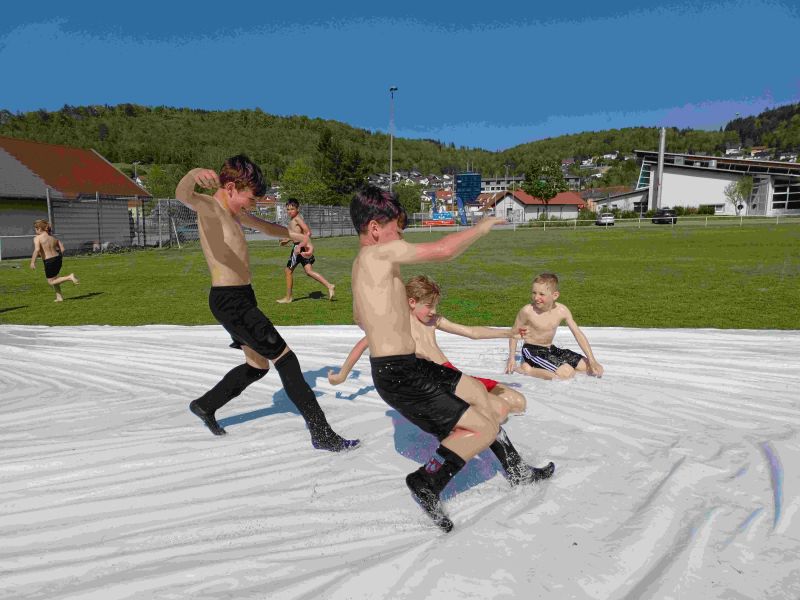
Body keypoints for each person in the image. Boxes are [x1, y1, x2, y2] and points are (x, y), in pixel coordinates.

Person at [350, 186, 553, 532]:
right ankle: (426, 481)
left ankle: (516, 470)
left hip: (407, 364)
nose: (401, 236)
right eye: (396, 229)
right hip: (398, 373)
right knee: (482, 426)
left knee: (476, 392)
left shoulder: (362, 266)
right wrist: (480, 228)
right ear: (375, 228)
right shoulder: (378, 255)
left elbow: (360, 317)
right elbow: (443, 250)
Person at [175, 155, 358, 452]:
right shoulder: (210, 208)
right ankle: (321, 433)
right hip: (230, 301)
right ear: (231, 188)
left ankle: (205, 405)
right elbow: (183, 194)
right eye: (251, 198)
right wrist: (194, 172)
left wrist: (299, 238)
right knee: (286, 359)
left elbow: (269, 228)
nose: (253, 205)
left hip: (242, 296)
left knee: (257, 365)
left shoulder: (235, 212)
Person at [329, 274, 527, 419]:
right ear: (412, 302)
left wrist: (508, 333)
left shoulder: (433, 321)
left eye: (435, 306)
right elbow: (363, 344)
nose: (434, 311)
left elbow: (471, 332)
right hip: (436, 380)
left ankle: (475, 414)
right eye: (429, 306)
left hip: (452, 374)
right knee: (500, 410)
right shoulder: (396, 324)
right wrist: (342, 375)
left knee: (518, 403)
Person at [506, 272, 604, 380]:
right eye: (534, 293)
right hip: (532, 351)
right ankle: (527, 369)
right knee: (566, 373)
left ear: (555, 295)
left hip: (550, 349)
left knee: (589, 367)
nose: (536, 297)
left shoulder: (561, 310)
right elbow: (513, 334)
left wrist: (592, 360)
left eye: (541, 294)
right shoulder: (527, 311)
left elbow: (577, 333)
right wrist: (511, 358)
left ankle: (551, 367)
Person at [276, 198, 335, 303]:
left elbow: (308, 232)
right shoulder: (293, 220)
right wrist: (287, 240)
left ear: (297, 209)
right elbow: (298, 235)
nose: (290, 211)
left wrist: (300, 245)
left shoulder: (297, 219)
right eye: (288, 209)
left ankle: (288, 298)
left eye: (292, 209)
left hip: (299, 248)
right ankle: (329, 285)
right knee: (309, 271)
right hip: (302, 247)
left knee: (288, 271)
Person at [29, 219, 79, 302]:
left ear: (39, 228)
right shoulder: (54, 238)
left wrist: (32, 262)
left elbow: (37, 250)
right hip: (58, 258)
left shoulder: (37, 238)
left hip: (49, 261)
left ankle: (69, 277)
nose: (35, 231)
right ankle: (59, 297)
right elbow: (62, 249)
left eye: (35, 229)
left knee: (51, 282)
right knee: (55, 278)